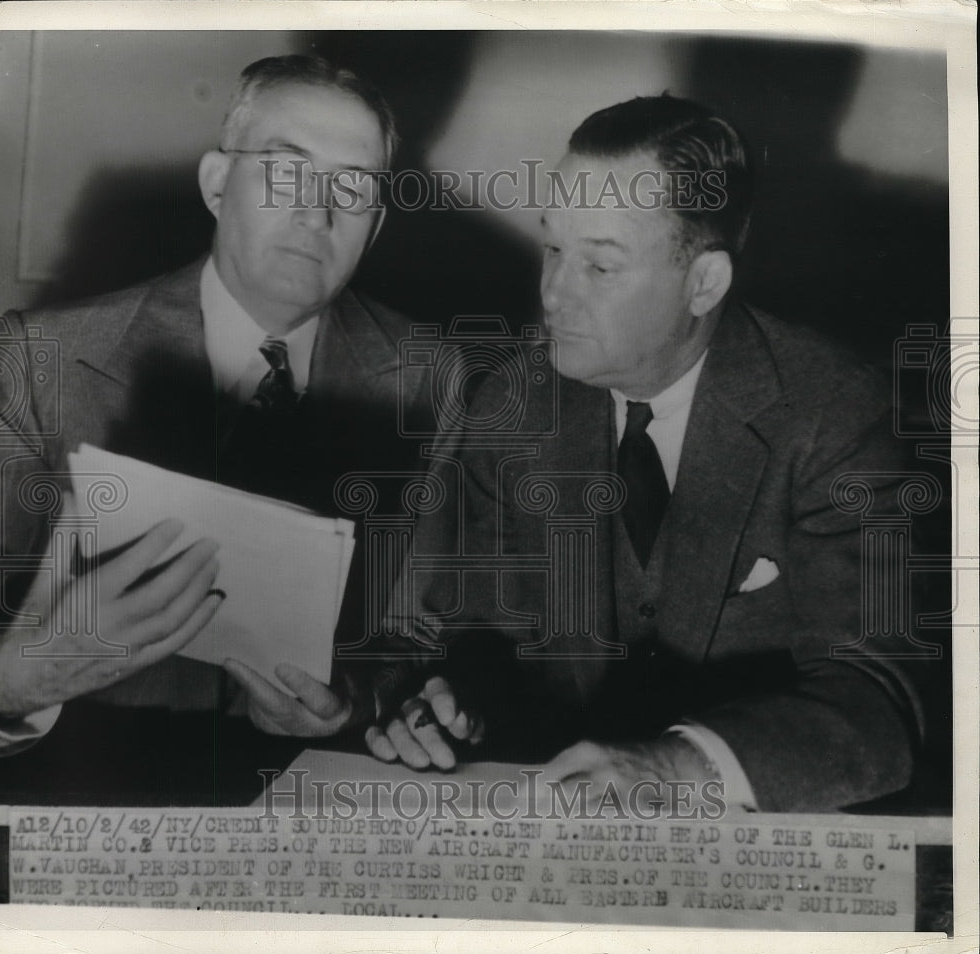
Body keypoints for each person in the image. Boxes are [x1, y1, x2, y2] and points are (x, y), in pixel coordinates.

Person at [363, 95, 926, 813]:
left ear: (703, 283)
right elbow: (491, 633)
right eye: (553, 248)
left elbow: (879, 706)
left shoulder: (835, 413)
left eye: (600, 267)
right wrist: (457, 700)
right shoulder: (511, 406)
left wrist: (676, 767)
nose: (553, 295)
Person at [0, 55, 435, 753]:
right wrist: (13, 681)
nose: (317, 212)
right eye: (286, 172)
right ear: (218, 184)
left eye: (354, 189)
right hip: (88, 789)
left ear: (374, 226)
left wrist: (355, 702)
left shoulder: (439, 379)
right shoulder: (41, 358)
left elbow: (429, 636)